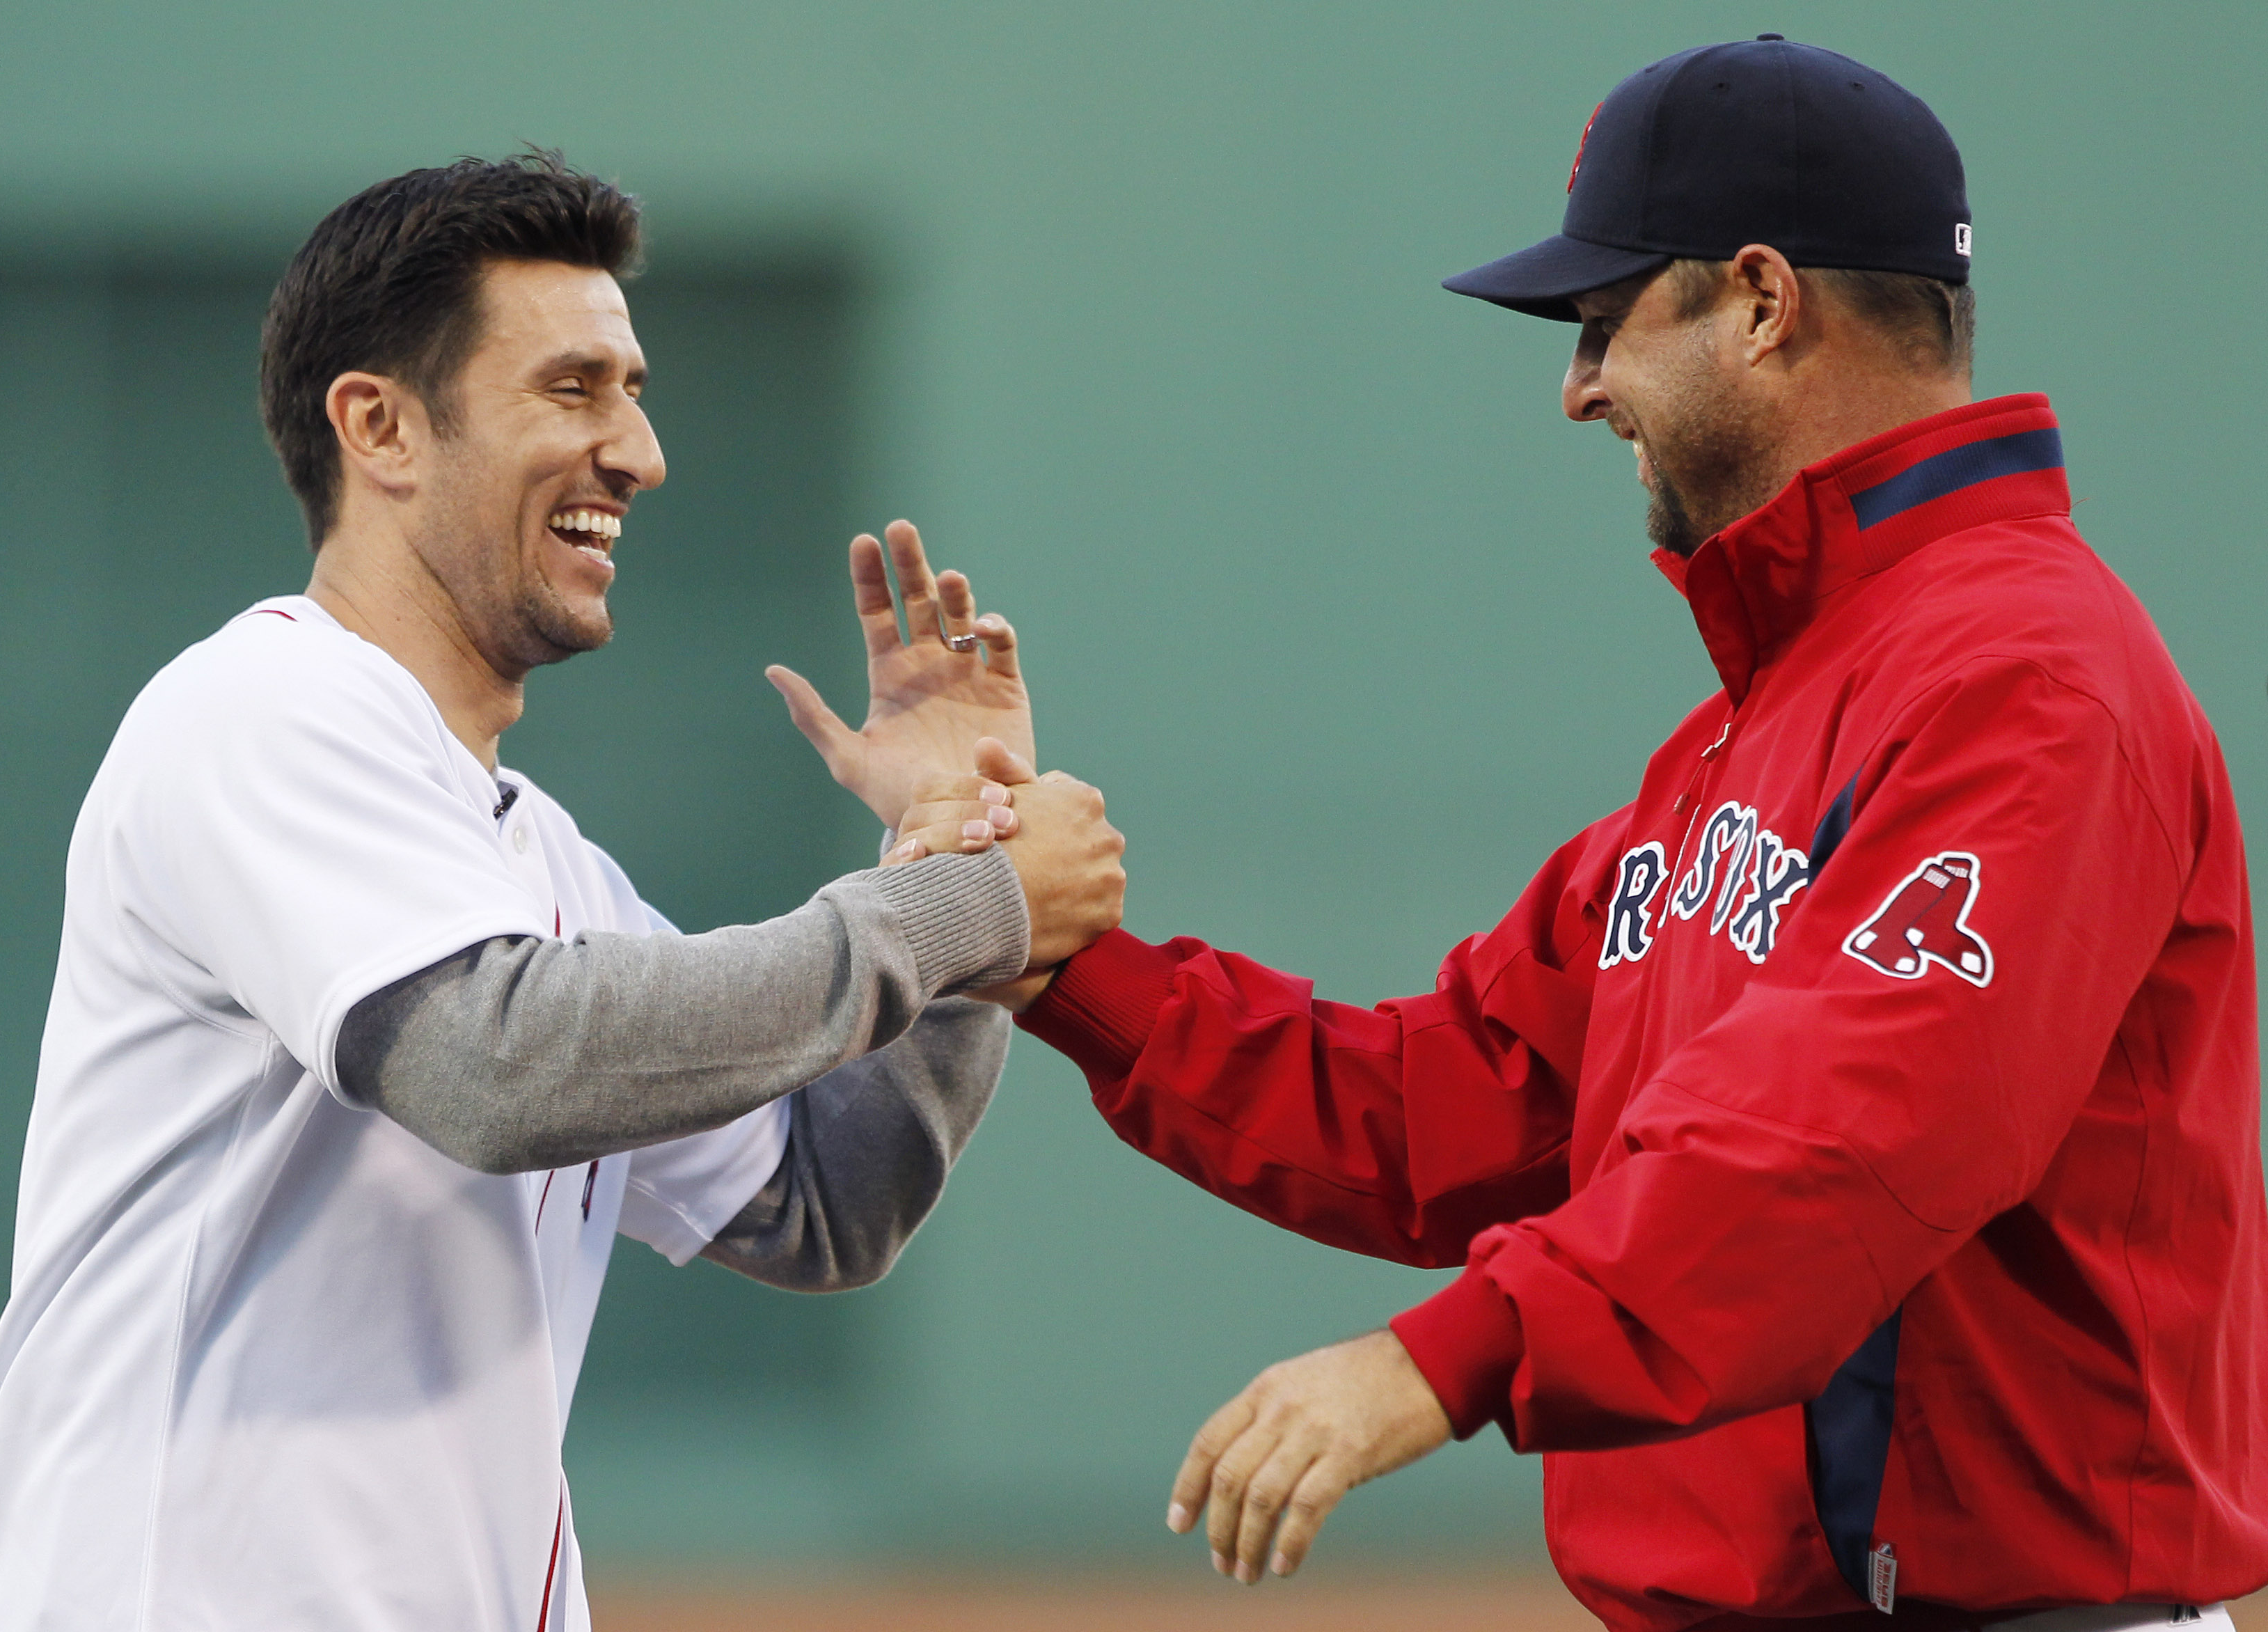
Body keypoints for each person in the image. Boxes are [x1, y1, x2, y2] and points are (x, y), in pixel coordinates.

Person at [889, 37, 2268, 1632]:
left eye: (1607, 323)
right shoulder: (1742, 739)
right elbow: (1436, 1104)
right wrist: (1044, 946)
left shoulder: (2031, 679)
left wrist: (1440, 1355)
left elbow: (1846, 1137)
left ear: (1762, 301)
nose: (1577, 386)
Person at [0, 154, 1122, 1630]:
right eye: (575, 389)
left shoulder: (540, 858)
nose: (640, 450)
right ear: (379, 425)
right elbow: (499, 1059)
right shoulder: (258, 705)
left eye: (635, 391)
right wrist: (969, 912)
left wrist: (955, 842)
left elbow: (823, 1199)